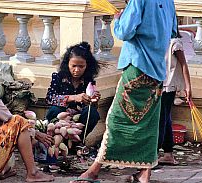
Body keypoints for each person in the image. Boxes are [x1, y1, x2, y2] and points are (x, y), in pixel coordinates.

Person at [70, 1, 177, 183]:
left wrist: (119, 19)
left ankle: (94, 169)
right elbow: (173, 31)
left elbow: (124, 32)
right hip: (158, 70)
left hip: (137, 66)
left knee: (117, 119)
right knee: (149, 123)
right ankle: (145, 173)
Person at [45, 41, 101, 139]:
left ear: (87, 66)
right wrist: (73, 98)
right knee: (54, 110)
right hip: (61, 118)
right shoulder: (58, 77)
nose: (77, 70)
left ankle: (79, 142)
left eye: (81, 66)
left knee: (92, 113)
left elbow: (91, 107)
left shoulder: (89, 81)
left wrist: (93, 100)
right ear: (68, 64)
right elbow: (50, 98)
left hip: (79, 119)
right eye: (73, 66)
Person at [158, 27, 192, 165]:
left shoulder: (174, 43)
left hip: (168, 86)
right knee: (165, 119)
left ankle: (154, 153)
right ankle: (168, 154)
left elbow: (183, 65)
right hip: (160, 84)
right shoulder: (158, 40)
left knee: (161, 120)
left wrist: (187, 87)